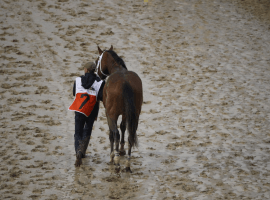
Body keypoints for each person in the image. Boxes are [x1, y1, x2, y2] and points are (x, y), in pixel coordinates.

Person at [69, 62, 105, 167]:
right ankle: (82, 152)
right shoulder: (99, 82)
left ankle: (78, 152)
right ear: (93, 70)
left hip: (79, 109)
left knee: (78, 132)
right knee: (87, 130)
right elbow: (100, 97)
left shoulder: (78, 80)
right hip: (92, 109)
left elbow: (74, 93)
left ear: (86, 70)